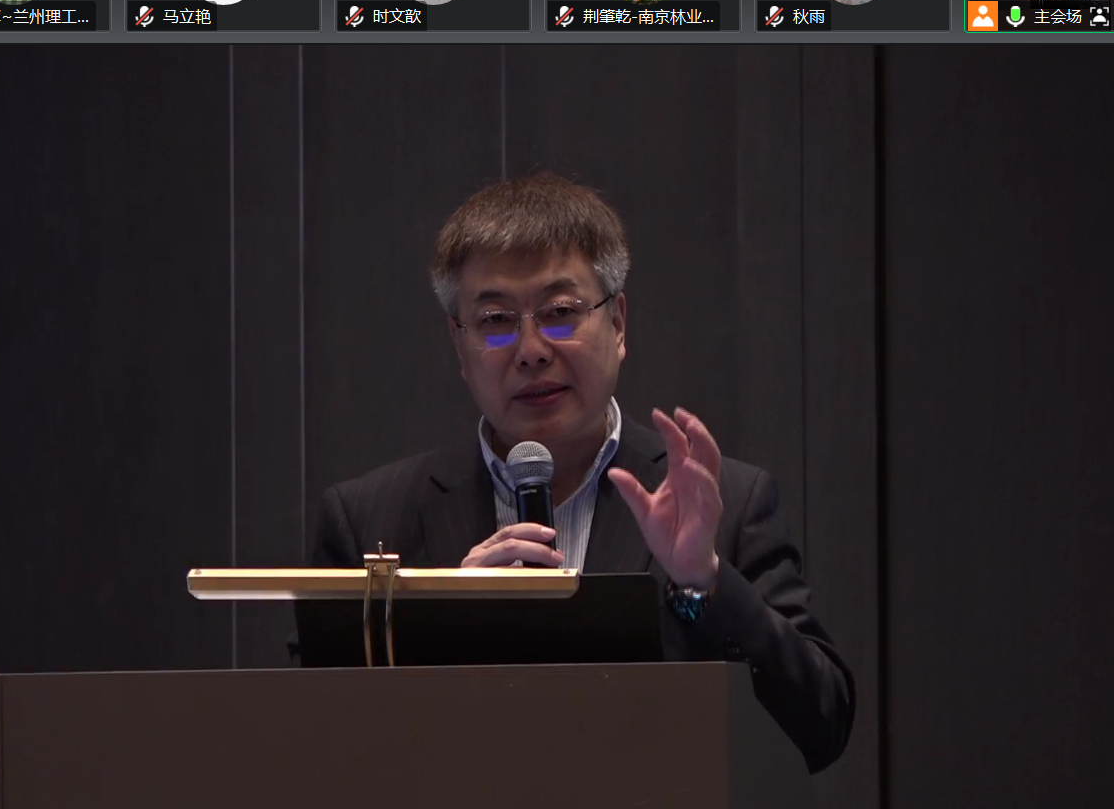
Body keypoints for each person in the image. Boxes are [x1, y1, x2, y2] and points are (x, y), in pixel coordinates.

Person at [302, 171, 855, 773]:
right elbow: (314, 752)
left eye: (560, 312)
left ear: (617, 323)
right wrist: (443, 632)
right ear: (458, 346)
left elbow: (820, 727)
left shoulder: (728, 503)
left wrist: (704, 582)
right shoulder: (370, 519)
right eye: (495, 321)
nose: (532, 349)